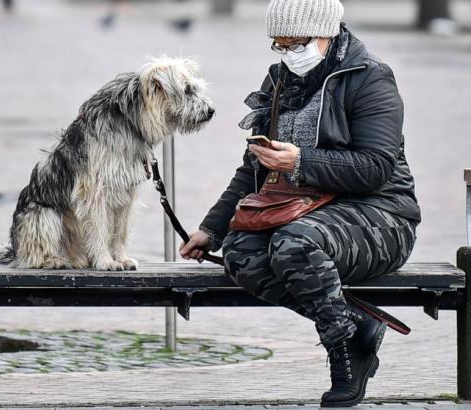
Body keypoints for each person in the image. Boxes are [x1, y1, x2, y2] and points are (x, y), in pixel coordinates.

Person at [180, 0, 421, 406]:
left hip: (380, 216)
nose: (289, 53)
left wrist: (301, 161)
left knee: (294, 244)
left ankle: (345, 354)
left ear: (326, 33)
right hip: (303, 211)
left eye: (297, 43)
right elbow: (252, 170)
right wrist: (212, 229)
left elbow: (377, 167)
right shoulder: (280, 81)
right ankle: (355, 325)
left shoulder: (369, 78)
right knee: (242, 253)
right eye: (279, 44)